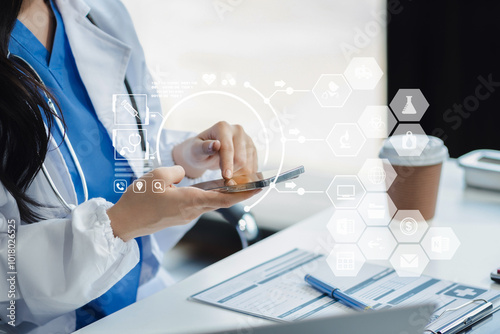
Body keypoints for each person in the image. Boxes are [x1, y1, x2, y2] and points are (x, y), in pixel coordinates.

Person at [0, 0, 259, 332]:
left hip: (143, 307)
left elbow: (129, 149)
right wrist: (119, 225)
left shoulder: (102, 13)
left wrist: (185, 161)